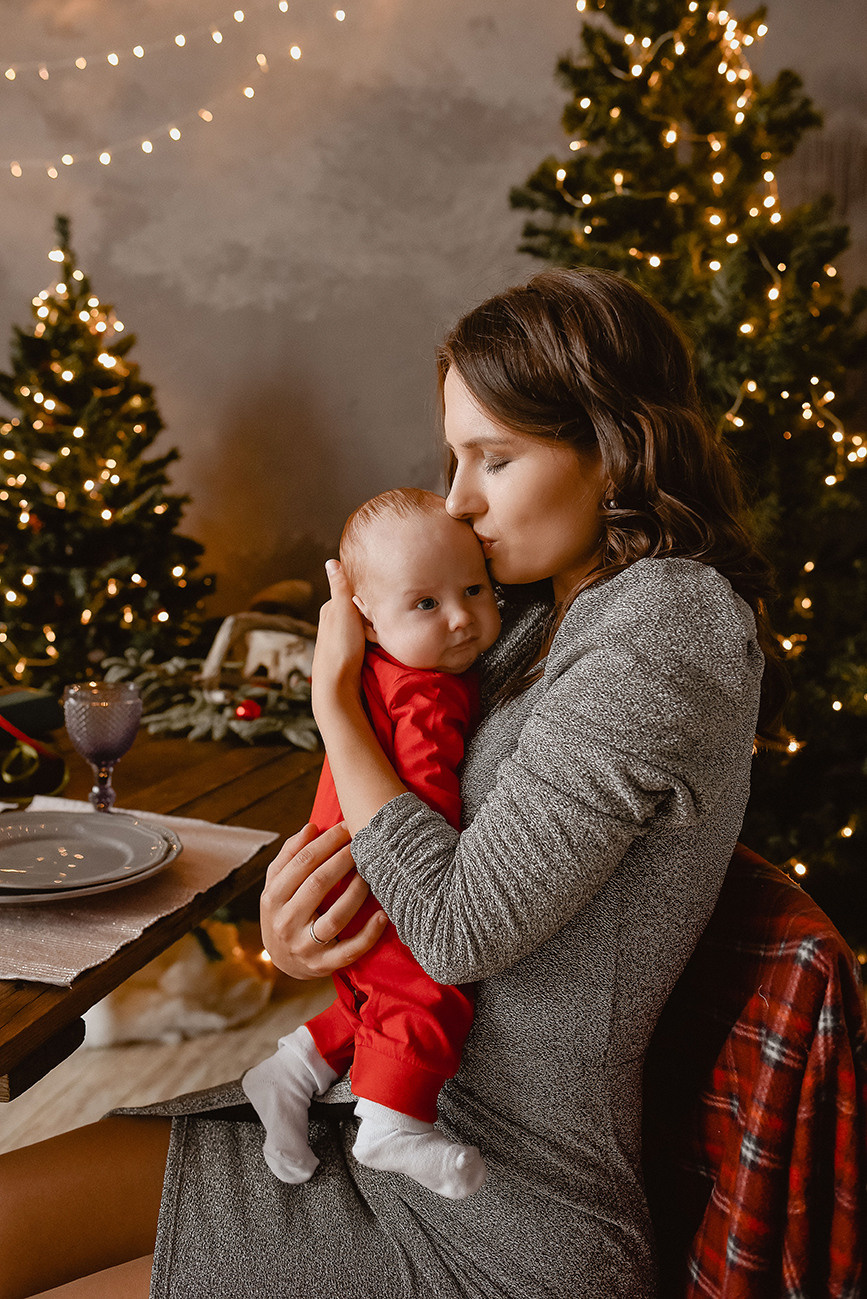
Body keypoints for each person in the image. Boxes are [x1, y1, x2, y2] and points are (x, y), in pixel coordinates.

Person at [0, 267, 787, 1299]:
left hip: (505, 1215)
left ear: (615, 447)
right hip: (372, 1104)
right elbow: (402, 798)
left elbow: (459, 928)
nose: (459, 498)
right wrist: (294, 926)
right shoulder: (539, 614)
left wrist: (332, 700)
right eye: (455, 456)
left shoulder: (667, 628)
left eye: (494, 459)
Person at [242, 487, 500, 1200]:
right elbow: (420, 801)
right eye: (424, 603)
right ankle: (391, 1119)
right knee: (421, 984)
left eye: (473, 588)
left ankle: (289, 1069)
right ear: (366, 619)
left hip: (337, 865)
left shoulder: (379, 669)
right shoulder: (424, 690)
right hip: (373, 869)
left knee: (368, 994)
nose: (458, 617)